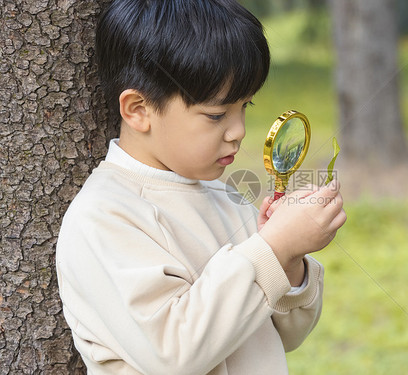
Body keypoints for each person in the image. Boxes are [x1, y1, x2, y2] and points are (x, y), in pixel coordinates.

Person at [56, 0, 346, 374]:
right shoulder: (104, 217)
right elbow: (174, 354)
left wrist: (289, 260)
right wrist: (275, 247)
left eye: (246, 107)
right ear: (138, 109)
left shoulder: (225, 198)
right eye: (216, 114)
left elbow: (286, 334)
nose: (239, 130)